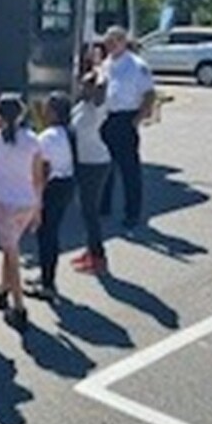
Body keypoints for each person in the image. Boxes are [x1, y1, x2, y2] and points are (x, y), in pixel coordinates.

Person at [0, 94, 43, 331]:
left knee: (11, 252)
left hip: (3, 201)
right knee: (10, 249)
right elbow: (38, 177)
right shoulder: (33, 140)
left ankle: (18, 305)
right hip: (26, 201)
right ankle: (3, 288)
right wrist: (38, 207)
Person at [99, 26, 156, 230]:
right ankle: (103, 206)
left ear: (123, 42)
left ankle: (132, 213)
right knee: (105, 165)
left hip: (125, 118)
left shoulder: (136, 65)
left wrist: (138, 119)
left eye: (114, 41)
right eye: (107, 41)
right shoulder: (107, 63)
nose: (109, 45)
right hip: (106, 118)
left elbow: (149, 94)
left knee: (129, 170)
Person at [25, 92, 76, 303]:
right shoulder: (68, 132)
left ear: (54, 112)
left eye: (47, 108)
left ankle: (47, 284)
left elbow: (43, 169)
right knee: (51, 233)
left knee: (46, 236)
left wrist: (36, 199)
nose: (43, 111)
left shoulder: (47, 137)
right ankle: (46, 275)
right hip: (66, 184)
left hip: (51, 187)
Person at [71, 72, 111, 274]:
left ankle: (99, 257)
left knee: (90, 211)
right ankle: (90, 251)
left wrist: (98, 76)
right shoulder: (81, 106)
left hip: (95, 163)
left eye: (86, 86)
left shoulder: (98, 107)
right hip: (82, 162)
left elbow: (103, 86)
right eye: (82, 86)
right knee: (84, 209)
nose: (82, 89)